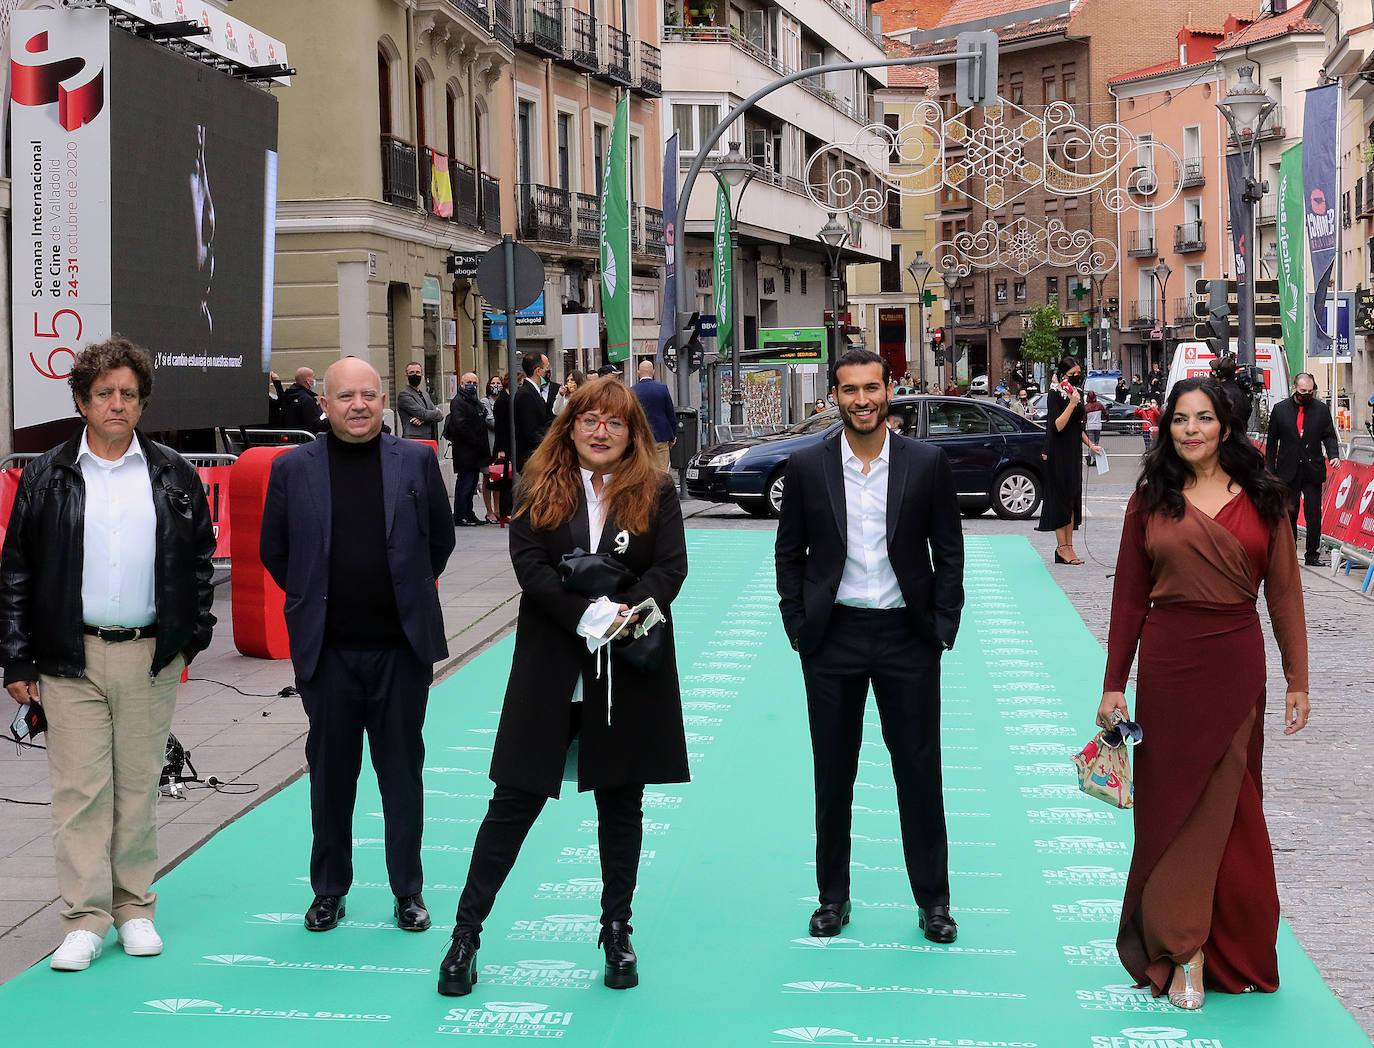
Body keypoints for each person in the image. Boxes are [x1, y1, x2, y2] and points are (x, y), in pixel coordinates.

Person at [438, 377, 689, 997]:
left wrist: (625, 613)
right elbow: (531, 566)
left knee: (620, 804)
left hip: (627, 669)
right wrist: (587, 616)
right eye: (589, 420)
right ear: (570, 425)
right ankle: (466, 934)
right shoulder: (537, 485)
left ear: (633, 433)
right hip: (551, 664)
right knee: (513, 801)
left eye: (616, 423)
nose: (602, 432)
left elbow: (670, 566)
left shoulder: (656, 489)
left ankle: (616, 928)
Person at [0, 338, 216, 971]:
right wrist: (16, 659)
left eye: (128, 394)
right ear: (81, 402)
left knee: (138, 786)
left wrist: (192, 639)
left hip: (149, 654)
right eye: (104, 394)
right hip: (70, 655)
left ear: (142, 402)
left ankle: (134, 909)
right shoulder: (45, 475)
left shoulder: (173, 471)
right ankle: (85, 919)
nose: (116, 404)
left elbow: (199, 561)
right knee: (80, 790)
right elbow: (16, 570)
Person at [1099, 376, 1309, 1011]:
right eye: (1180, 420)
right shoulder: (1150, 499)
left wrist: (1299, 677)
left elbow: (1286, 594)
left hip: (1236, 669)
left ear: (1226, 427)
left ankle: (1227, 948)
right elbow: (1129, 597)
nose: (1191, 430)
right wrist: (1113, 683)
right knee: (1171, 812)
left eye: (1204, 419)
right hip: (1168, 670)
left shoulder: (1265, 497)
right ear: (1168, 429)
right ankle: (1181, 949)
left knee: (1230, 809)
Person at [774, 349, 965, 946]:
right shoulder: (807, 466)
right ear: (834, 396)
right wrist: (799, 626)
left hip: (908, 637)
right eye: (850, 389)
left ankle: (934, 902)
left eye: (872, 388)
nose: (862, 399)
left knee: (919, 773)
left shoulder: (926, 464)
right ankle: (833, 899)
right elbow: (789, 554)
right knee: (833, 775)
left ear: (890, 390)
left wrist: (942, 624)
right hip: (833, 639)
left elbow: (949, 549)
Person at [261, 356, 456, 935]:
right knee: (330, 776)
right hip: (329, 655)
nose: (358, 405)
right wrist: (314, 596)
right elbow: (277, 552)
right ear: (324, 403)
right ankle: (329, 890)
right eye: (345, 396)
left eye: (369, 394)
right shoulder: (294, 468)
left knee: (402, 776)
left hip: (400, 650)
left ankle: (408, 892)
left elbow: (439, 543)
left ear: (383, 401)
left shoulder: (417, 462)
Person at [1265, 374, 1340, 567]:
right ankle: (1288, 552)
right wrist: (1270, 470)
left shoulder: (1321, 410)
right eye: (1303, 391)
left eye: (1310, 391)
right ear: (1294, 389)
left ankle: (1312, 554)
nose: (1307, 395)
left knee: (1313, 514)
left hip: (1312, 468)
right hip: (1288, 469)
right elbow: (1272, 442)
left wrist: (1333, 455)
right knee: (1289, 513)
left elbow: (1329, 436)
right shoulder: (1280, 410)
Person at [1037, 356, 1102, 566]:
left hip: (1074, 452)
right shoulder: (1055, 395)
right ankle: (1061, 547)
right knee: (1061, 498)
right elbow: (1058, 425)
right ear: (1063, 375)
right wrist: (1072, 403)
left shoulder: (1078, 393)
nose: (1076, 377)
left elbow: (1077, 427)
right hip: (1059, 452)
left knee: (1073, 498)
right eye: (1072, 374)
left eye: (1078, 373)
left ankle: (1070, 546)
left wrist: (1091, 445)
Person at [444, 371, 491, 527]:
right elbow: (461, 425)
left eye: (475, 383)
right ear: (462, 384)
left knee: (471, 485)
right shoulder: (458, 401)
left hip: (475, 451)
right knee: (465, 483)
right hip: (465, 450)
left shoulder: (474, 401)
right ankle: (460, 514)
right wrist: (474, 439)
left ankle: (469, 513)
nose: (472, 386)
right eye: (469, 382)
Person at [632, 359, 677, 471]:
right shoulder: (662, 389)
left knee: (644, 471)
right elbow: (670, 413)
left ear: (638, 372)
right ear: (653, 372)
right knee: (661, 471)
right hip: (661, 437)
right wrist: (673, 436)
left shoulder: (632, 391)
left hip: (641, 438)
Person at [515, 352, 554, 470]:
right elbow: (530, 431)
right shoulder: (525, 394)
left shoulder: (535, 391)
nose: (548, 371)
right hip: (531, 460)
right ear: (538, 371)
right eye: (547, 368)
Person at [481, 376, 506, 524]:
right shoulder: (485, 402)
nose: (496, 385)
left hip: (500, 445)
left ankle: (497, 510)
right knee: (487, 478)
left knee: (498, 478)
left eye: (498, 383)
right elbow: (490, 421)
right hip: (488, 445)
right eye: (493, 383)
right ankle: (489, 511)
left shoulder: (503, 400)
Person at [398, 361, 443, 441]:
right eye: (411, 372)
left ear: (422, 375)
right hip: (414, 441)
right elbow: (423, 413)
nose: (415, 375)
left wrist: (422, 419)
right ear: (406, 375)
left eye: (417, 372)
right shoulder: (404, 395)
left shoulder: (425, 394)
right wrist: (436, 412)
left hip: (430, 439)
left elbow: (440, 416)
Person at [280, 366, 327, 434]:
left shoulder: (288, 395)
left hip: (290, 438)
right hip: (305, 440)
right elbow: (315, 426)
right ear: (308, 381)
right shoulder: (307, 399)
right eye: (313, 377)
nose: (314, 380)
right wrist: (330, 422)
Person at [1084, 389, 1106, 455]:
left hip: (1089, 426)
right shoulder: (1099, 405)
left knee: (1091, 443)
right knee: (1096, 442)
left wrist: (1083, 426)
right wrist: (1107, 419)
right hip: (1098, 426)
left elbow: (1084, 418)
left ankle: (1091, 456)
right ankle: (1095, 458)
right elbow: (1106, 413)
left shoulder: (1086, 407)